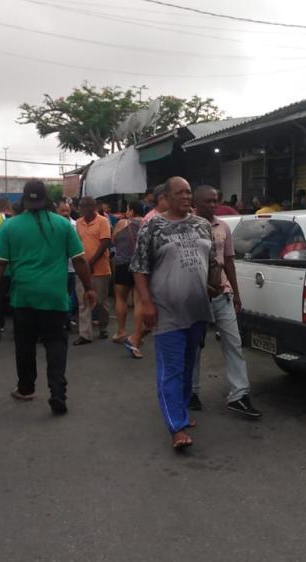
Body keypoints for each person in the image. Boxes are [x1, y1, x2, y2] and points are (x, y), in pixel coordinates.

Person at [0, 180, 96, 415]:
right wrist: (89, 287)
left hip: (23, 297)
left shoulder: (10, 227)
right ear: (48, 201)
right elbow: (79, 260)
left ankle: (26, 388)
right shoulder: (63, 225)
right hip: (54, 297)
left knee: (25, 345)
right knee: (56, 344)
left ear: (23, 200)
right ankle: (57, 393)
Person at [131, 177, 220, 450]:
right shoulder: (152, 227)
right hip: (166, 310)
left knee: (188, 365)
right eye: (179, 192)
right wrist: (146, 303)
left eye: (189, 192)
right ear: (166, 198)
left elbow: (212, 261)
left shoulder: (203, 226)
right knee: (171, 369)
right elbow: (139, 268)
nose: (186, 196)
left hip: (196, 309)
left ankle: (180, 411)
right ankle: (176, 427)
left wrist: (215, 284)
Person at [191, 186, 262, 418]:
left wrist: (237, 294)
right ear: (196, 202)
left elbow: (229, 261)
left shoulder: (223, 227)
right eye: (208, 201)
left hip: (222, 294)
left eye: (215, 200)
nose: (213, 204)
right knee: (193, 347)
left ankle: (239, 395)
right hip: (195, 297)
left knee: (234, 343)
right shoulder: (187, 226)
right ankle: (191, 392)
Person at [73, 197, 112, 345]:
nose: (85, 209)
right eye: (82, 206)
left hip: (100, 269)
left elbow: (105, 243)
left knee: (100, 302)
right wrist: (82, 264)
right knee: (83, 302)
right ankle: (85, 334)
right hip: (83, 269)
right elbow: (77, 243)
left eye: (88, 206)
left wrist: (91, 263)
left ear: (94, 206)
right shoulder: (78, 223)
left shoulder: (103, 221)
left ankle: (103, 326)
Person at [112, 200, 146, 358]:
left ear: (131, 210)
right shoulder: (147, 223)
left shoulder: (122, 223)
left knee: (121, 298)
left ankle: (121, 331)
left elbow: (113, 240)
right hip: (141, 266)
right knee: (139, 300)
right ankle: (137, 334)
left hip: (122, 265)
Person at [56, 201, 79, 330]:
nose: (65, 213)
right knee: (60, 295)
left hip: (72, 268)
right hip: (58, 268)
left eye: (67, 211)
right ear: (57, 211)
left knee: (69, 296)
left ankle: (66, 320)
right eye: (62, 211)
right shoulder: (52, 225)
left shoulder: (75, 225)